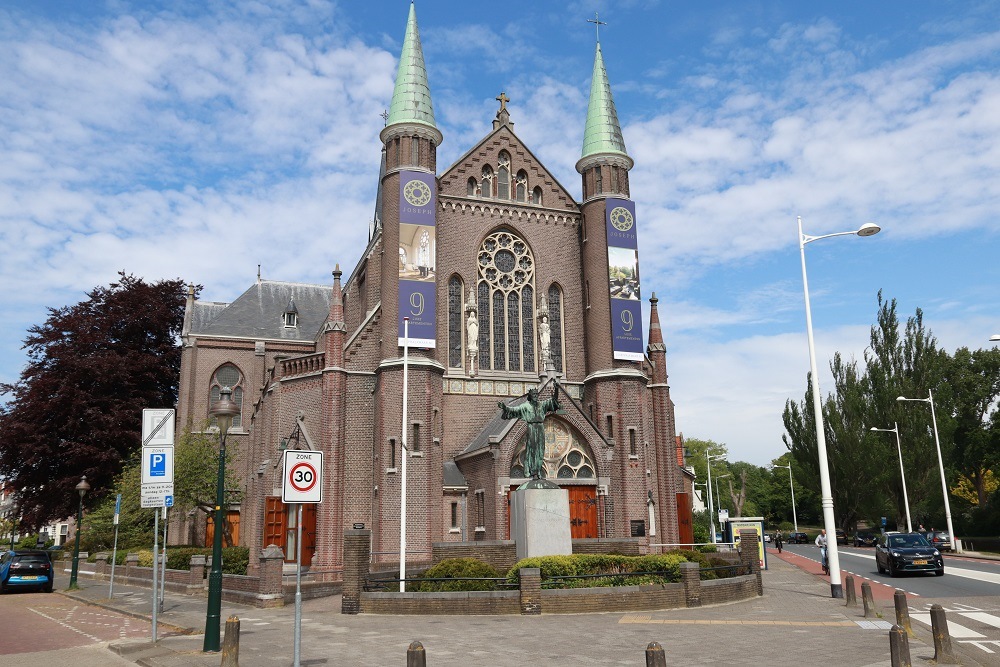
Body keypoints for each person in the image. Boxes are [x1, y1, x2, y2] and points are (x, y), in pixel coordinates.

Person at [498, 388, 561, 480]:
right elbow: (514, 410)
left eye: (536, 394)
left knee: (540, 450)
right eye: (533, 395)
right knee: (533, 450)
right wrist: (505, 407)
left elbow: (553, 402)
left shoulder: (542, 405)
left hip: (540, 428)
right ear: (530, 396)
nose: (535, 396)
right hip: (532, 428)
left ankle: (538, 471)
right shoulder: (525, 406)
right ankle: (533, 472)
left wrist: (556, 389)